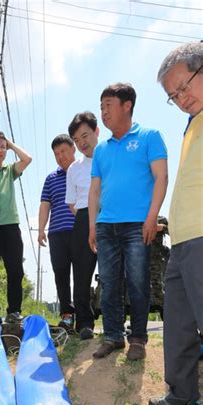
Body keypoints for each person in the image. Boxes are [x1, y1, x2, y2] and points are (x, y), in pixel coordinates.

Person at [88, 83, 168, 361]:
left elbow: (161, 178)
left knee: (137, 281)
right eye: (101, 107)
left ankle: (137, 339)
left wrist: (151, 217)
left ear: (127, 105)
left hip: (138, 224)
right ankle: (112, 336)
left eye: (108, 106)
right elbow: (95, 190)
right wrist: (92, 226)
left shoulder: (149, 137)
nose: (104, 112)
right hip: (106, 225)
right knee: (109, 284)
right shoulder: (101, 150)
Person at [149, 42, 202, 405]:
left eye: (185, 86)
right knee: (179, 324)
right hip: (183, 240)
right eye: (173, 95)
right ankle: (183, 396)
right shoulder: (192, 126)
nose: (181, 98)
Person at [0, 132, 32, 324]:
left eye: (3, 147)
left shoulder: (9, 171)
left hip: (11, 226)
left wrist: (10, 143)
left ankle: (14, 311)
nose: (0, 150)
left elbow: (27, 159)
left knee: (15, 270)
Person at [65, 112, 100, 340]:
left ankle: (117, 323)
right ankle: (84, 323)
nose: (82, 143)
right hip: (82, 219)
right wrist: (87, 220)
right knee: (81, 274)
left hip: (109, 216)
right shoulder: (74, 168)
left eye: (85, 136)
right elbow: (71, 202)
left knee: (113, 272)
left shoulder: (110, 156)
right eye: (77, 140)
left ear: (96, 132)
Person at [38, 135, 77, 331]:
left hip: (79, 231)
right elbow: (45, 205)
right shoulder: (51, 179)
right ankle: (67, 315)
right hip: (56, 233)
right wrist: (41, 229)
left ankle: (84, 316)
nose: (60, 156)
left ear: (73, 149)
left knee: (81, 274)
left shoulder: (83, 172)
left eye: (63, 151)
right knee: (61, 274)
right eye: (56, 154)